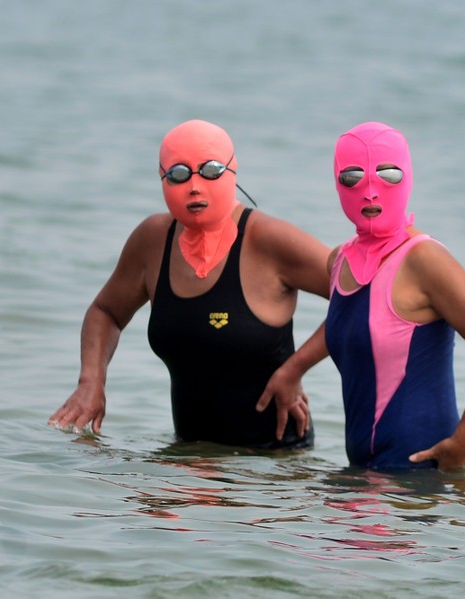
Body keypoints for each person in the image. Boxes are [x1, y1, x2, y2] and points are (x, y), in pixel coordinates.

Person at [49, 119, 330, 448]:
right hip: (187, 458)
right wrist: (91, 382)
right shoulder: (153, 241)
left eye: (210, 170)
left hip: (271, 472)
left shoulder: (269, 240)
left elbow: (358, 296)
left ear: (231, 171)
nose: (195, 186)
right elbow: (105, 311)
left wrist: (294, 370)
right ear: (162, 178)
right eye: (179, 174)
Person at [260, 121, 465, 469]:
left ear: (408, 176)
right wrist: (293, 369)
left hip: (418, 491)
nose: (369, 191)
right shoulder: (339, 260)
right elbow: (357, 321)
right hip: (362, 478)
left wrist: (463, 442)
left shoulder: (424, 260)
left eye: (388, 175)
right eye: (353, 177)